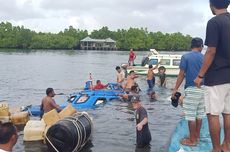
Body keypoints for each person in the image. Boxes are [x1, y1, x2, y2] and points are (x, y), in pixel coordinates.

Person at [194, 1, 230, 151]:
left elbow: (211, 51)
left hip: (216, 77)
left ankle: (216, 149)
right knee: (228, 112)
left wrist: (200, 75)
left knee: (212, 114)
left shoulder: (214, 22)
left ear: (211, 5)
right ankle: (227, 145)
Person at [172, 37, 205, 146]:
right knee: (199, 114)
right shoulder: (205, 57)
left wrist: (175, 89)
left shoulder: (186, 57)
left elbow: (181, 74)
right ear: (201, 46)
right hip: (204, 89)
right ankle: (197, 137)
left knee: (191, 115)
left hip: (192, 88)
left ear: (191, 46)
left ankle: (192, 140)